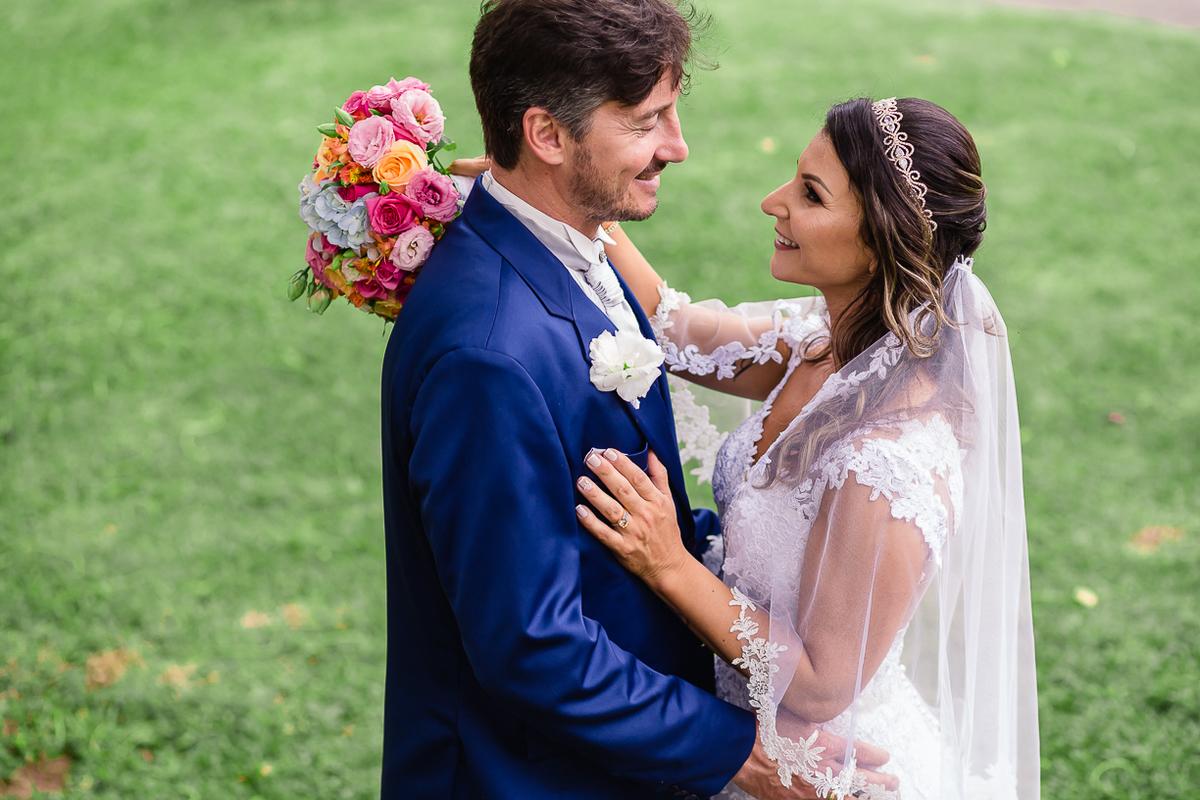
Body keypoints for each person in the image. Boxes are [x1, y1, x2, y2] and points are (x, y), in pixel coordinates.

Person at [379, 1, 895, 798]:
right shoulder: (486, 355)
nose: (678, 147)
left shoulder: (574, 243)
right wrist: (738, 754)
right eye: (647, 121)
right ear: (547, 135)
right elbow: (532, 645)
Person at [573, 97, 1041, 799]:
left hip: (820, 770)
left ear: (884, 238)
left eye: (810, 194)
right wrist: (562, 201)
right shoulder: (822, 340)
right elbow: (672, 328)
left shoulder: (892, 455)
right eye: (795, 178)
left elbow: (822, 681)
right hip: (737, 738)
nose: (774, 202)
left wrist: (668, 562)